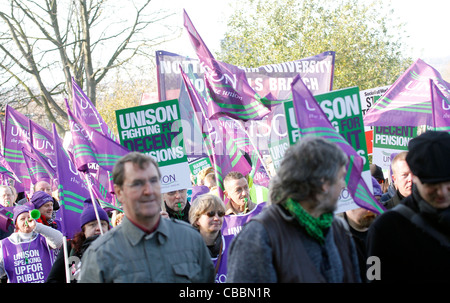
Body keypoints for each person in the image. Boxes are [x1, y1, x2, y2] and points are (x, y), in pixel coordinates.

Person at [227, 137, 361, 282]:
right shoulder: (259, 236)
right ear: (323, 182)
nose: (344, 185)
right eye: (341, 177)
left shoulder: (338, 229)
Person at [78, 152, 214, 283]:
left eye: (153, 181)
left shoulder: (190, 239)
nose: (148, 190)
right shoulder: (101, 254)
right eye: (137, 184)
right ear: (119, 193)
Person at [366, 131, 450, 282]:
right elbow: (374, 277)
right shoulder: (385, 228)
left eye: (448, 184)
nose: (442, 192)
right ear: (415, 177)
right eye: (432, 184)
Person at [46, 199, 110, 283]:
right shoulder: (70, 247)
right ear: (84, 230)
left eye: (102, 224)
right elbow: (52, 280)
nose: (98, 228)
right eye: (92, 225)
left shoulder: (117, 248)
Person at [0, 205, 63, 283]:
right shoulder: (6, 243)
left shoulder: (42, 237)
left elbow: (59, 240)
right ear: (16, 223)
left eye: (29, 217)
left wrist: (36, 226)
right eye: (22, 219)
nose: (27, 221)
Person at [189, 194, 232, 283]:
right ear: (197, 220)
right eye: (211, 214)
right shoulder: (187, 249)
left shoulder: (233, 243)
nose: (216, 218)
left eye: (220, 214)